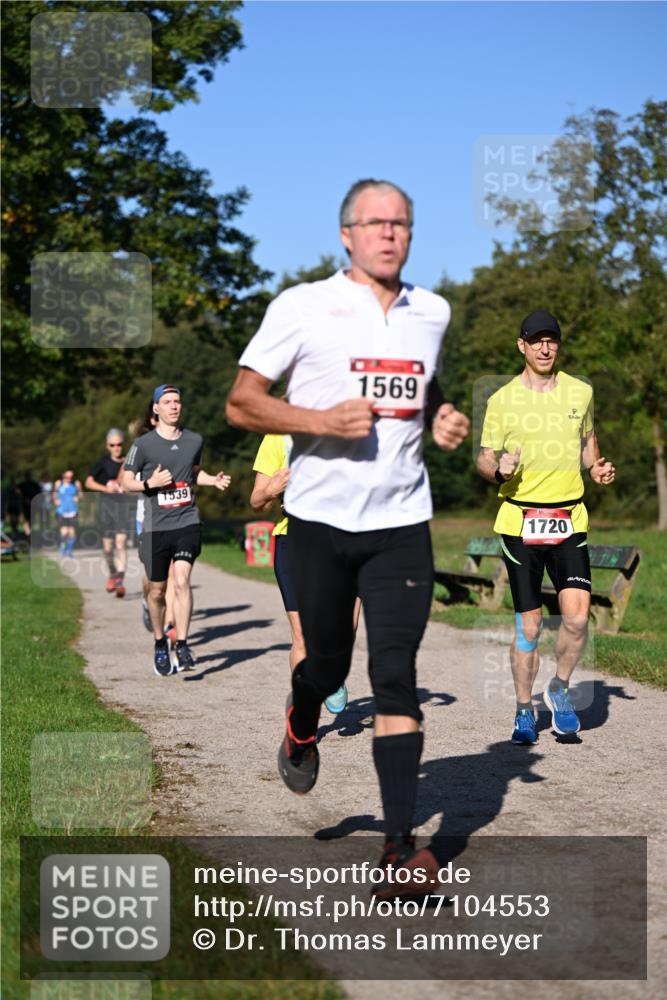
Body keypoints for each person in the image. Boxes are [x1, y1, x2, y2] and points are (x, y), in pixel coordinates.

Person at [226, 178, 469, 894]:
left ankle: (399, 846)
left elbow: (421, 391)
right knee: (327, 668)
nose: (389, 234)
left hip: (401, 526)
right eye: (374, 223)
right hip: (320, 526)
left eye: (401, 224)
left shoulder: (432, 311)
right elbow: (241, 403)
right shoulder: (302, 306)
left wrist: (443, 418)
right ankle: (302, 722)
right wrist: (316, 422)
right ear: (345, 234)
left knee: (394, 676)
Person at [476, 309, 615, 745]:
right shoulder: (501, 400)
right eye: (536, 340)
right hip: (520, 520)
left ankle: (559, 689)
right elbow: (484, 458)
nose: (544, 347)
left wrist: (597, 469)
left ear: (558, 344)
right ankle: (522, 711)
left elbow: (589, 445)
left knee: (576, 620)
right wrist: (498, 469)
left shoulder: (580, 392)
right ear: (522, 345)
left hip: (569, 518)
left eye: (551, 339)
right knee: (530, 627)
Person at [121, 384, 231, 677]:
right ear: (156, 409)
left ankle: (181, 643)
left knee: (182, 581)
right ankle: (160, 642)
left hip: (187, 521)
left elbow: (194, 472)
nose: (174, 406)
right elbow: (126, 482)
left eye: (177, 401)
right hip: (156, 527)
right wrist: (149, 484)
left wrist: (212, 480)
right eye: (167, 402)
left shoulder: (194, 440)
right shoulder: (142, 445)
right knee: (156, 592)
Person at [250, 432, 357, 713]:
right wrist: (273, 488)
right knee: (302, 637)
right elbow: (257, 499)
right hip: (293, 539)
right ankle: (304, 716)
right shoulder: (276, 438)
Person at [130, 401, 176, 640]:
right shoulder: (139, 449)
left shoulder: (178, 446)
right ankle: (148, 601)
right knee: (152, 578)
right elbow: (125, 482)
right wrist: (148, 484)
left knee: (173, 575)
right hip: (145, 520)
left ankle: (169, 625)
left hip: (172, 518)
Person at [85, 429, 134, 598]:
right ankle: (113, 573)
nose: (116, 448)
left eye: (119, 444)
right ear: (108, 446)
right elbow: (88, 482)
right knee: (108, 548)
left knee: (120, 543)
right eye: (112, 445)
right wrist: (106, 488)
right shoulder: (102, 462)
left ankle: (120, 579)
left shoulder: (129, 461)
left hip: (123, 508)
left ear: (123, 444)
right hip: (106, 508)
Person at [53, 469, 83, 557]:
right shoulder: (58, 483)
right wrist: (55, 500)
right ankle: (63, 546)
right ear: (63, 476)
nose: (69, 479)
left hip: (73, 511)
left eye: (71, 477)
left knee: (72, 532)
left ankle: (69, 551)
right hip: (61, 511)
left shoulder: (76, 483)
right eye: (67, 477)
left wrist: (78, 497)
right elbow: (54, 494)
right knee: (64, 532)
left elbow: (81, 494)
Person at [18, 471, 41, 539]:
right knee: (26, 519)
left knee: (32, 519)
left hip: (33, 505)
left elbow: (39, 493)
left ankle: (31, 533)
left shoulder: (35, 485)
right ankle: (28, 534)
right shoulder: (22, 484)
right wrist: (23, 498)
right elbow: (17, 491)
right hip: (25, 505)